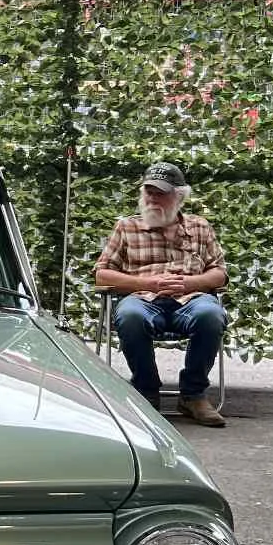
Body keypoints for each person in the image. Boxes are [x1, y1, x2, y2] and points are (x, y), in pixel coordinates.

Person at [93, 160, 228, 428]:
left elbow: (220, 274)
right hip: (142, 299)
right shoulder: (126, 227)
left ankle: (193, 395)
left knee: (211, 315)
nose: (153, 198)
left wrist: (190, 283)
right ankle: (146, 392)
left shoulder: (200, 227)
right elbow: (102, 275)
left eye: (160, 193)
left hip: (191, 299)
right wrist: (150, 283)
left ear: (179, 197)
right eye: (149, 192)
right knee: (130, 316)